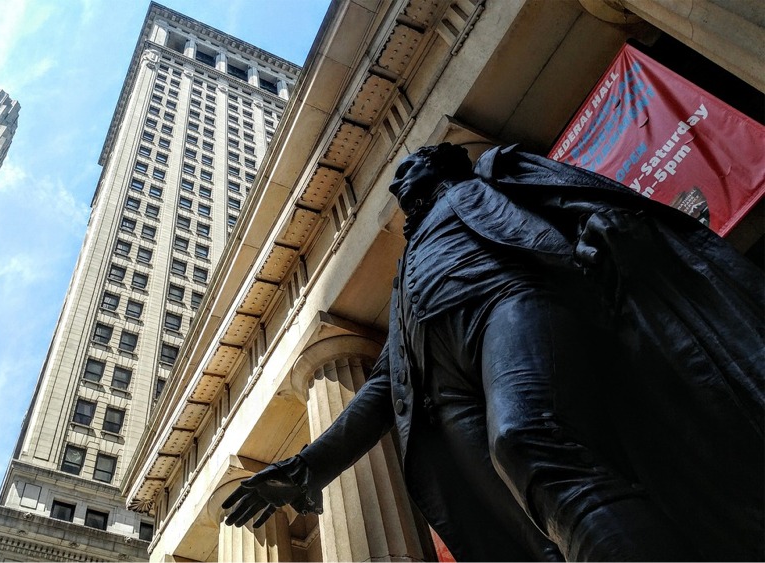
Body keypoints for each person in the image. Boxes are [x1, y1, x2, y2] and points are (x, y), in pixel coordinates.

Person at [222, 143, 764, 561]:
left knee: (529, 440)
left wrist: (610, 239)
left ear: (442, 168)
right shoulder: (404, 282)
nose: (397, 186)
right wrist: (305, 467)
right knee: (532, 529)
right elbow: (387, 386)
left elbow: (584, 202)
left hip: (511, 301)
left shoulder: (490, 176)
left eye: (409, 172)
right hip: (446, 388)